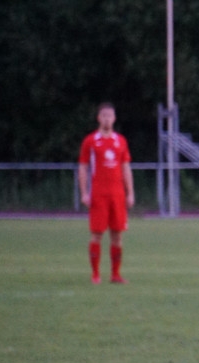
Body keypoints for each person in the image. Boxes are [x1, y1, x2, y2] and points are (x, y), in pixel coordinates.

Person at [78, 102, 135, 284]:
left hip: (117, 194)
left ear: (114, 118)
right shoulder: (90, 141)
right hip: (99, 194)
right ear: (98, 118)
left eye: (110, 116)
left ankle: (115, 274)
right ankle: (95, 274)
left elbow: (126, 168)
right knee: (97, 233)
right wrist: (84, 192)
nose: (107, 119)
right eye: (104, 116)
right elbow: (83, 167)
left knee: (117, 235)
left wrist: (130, 192)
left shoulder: (121, 141)